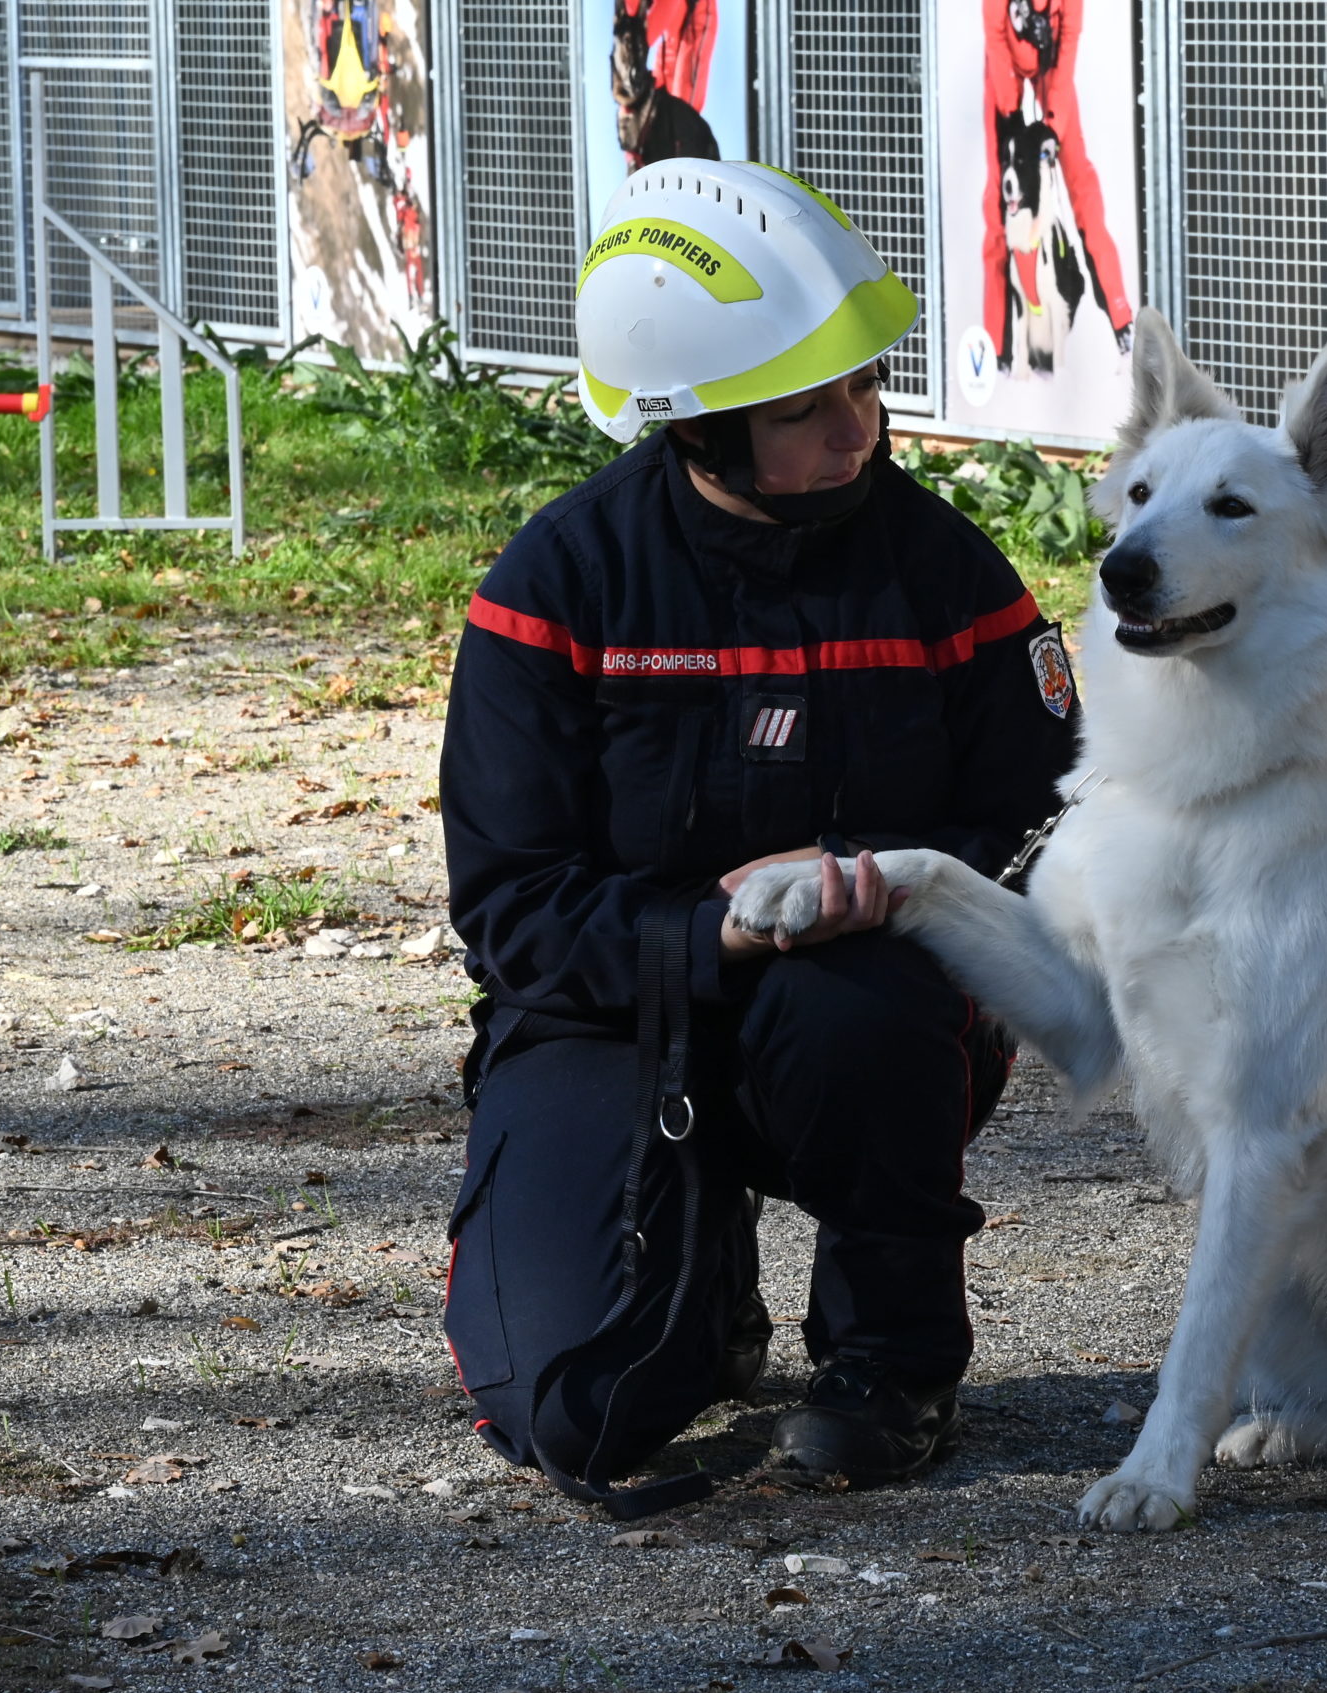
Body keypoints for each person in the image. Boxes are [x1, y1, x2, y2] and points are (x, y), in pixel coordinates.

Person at [439, 160, 1081, 1516]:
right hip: (606, 1018)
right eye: (808, 409)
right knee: (574, 1413)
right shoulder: (556, 587)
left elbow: (1057, 811)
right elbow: (510, 903)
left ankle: (892, 1361)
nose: (861, 429)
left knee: (865, 1011)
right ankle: (696, 1290)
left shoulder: (946, 574)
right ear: (699, 431)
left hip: (862, 1021)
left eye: (865, 384)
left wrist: (917, 899)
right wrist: (700, 927)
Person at [983, 0, 1134, 369]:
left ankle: (1122, 320)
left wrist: (1052, 125)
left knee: (1083, 187)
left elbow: (1068, 45)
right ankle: (998, 348)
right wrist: (1011, 117)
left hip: (1051, 71)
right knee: (996, 208)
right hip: (1004, 69)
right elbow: (995, 33)